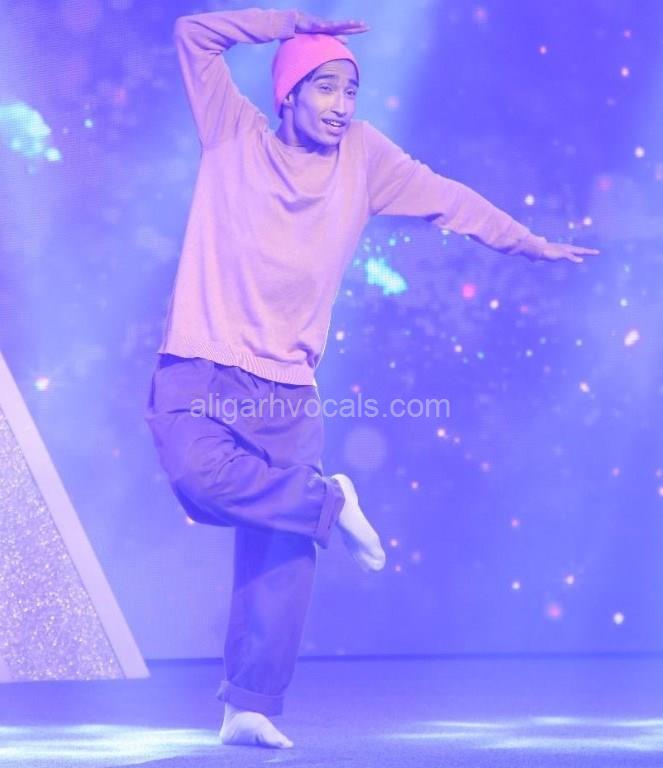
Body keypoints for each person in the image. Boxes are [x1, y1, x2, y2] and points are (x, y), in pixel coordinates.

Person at [144, 7, 599, 750]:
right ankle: (328, 502)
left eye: (350, 91)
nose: (340, 106)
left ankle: (249, 704)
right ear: (288, 93)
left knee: (280, 552)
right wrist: (292, 22)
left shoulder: (363, 157)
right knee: (198, 478)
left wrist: (526, 244)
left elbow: (447, 197)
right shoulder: (232, 133)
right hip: (202, 364)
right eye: (324, 87)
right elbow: (195, 33)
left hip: (289, 389)